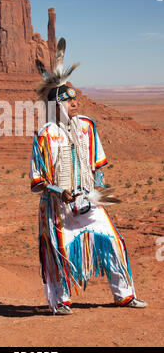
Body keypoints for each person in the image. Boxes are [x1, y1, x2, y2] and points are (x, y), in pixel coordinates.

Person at [29, 38, 147, 315]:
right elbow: (38, 180)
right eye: (70, 100)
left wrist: (99, 190)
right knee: (61, 253)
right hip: (59, 208)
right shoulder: (46, 135)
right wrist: (61, 192)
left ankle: (125, 295)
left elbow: (98, 163)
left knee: (115, 243)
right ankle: (61, 301)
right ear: (57, 104)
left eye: (76, 100)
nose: (76, 104)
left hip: (90, 199)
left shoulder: (87, 126)